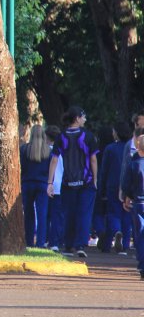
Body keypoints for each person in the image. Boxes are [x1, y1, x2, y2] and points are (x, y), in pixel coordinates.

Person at [47, 106, 99, 258]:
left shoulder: (61, 137)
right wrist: (95, 179)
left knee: (69, 213)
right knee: (84, 213)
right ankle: (80, 244)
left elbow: (54, 160)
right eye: (83, 116)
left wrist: (49, 183)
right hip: (86, 182)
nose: (85, 119)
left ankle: (68, 245)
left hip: (68, 182)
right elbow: (93, 159)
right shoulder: (88, 136)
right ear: (77, 118)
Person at [101, 123, 136, 255]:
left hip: (112, 184)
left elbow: (104, 170)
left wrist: (102, 188)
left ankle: (115, 232)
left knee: (113, 213)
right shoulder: (131, 148)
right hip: (129, 183)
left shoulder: (110, 148)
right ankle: (125, 245)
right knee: (126, 213)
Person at [20, 125, 52, 248]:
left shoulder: (24, 149)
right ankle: (40, 242)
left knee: (28, 213)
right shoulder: (48, 151)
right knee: (42, 214)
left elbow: (21, 167)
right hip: (43, 184)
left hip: (27, 183)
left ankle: (28, 241)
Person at [121, 134, 144, 279]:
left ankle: (142, 266)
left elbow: (125, 185)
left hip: (139, 203)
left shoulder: (134, 164)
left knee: (140, 235)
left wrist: (127, 197)